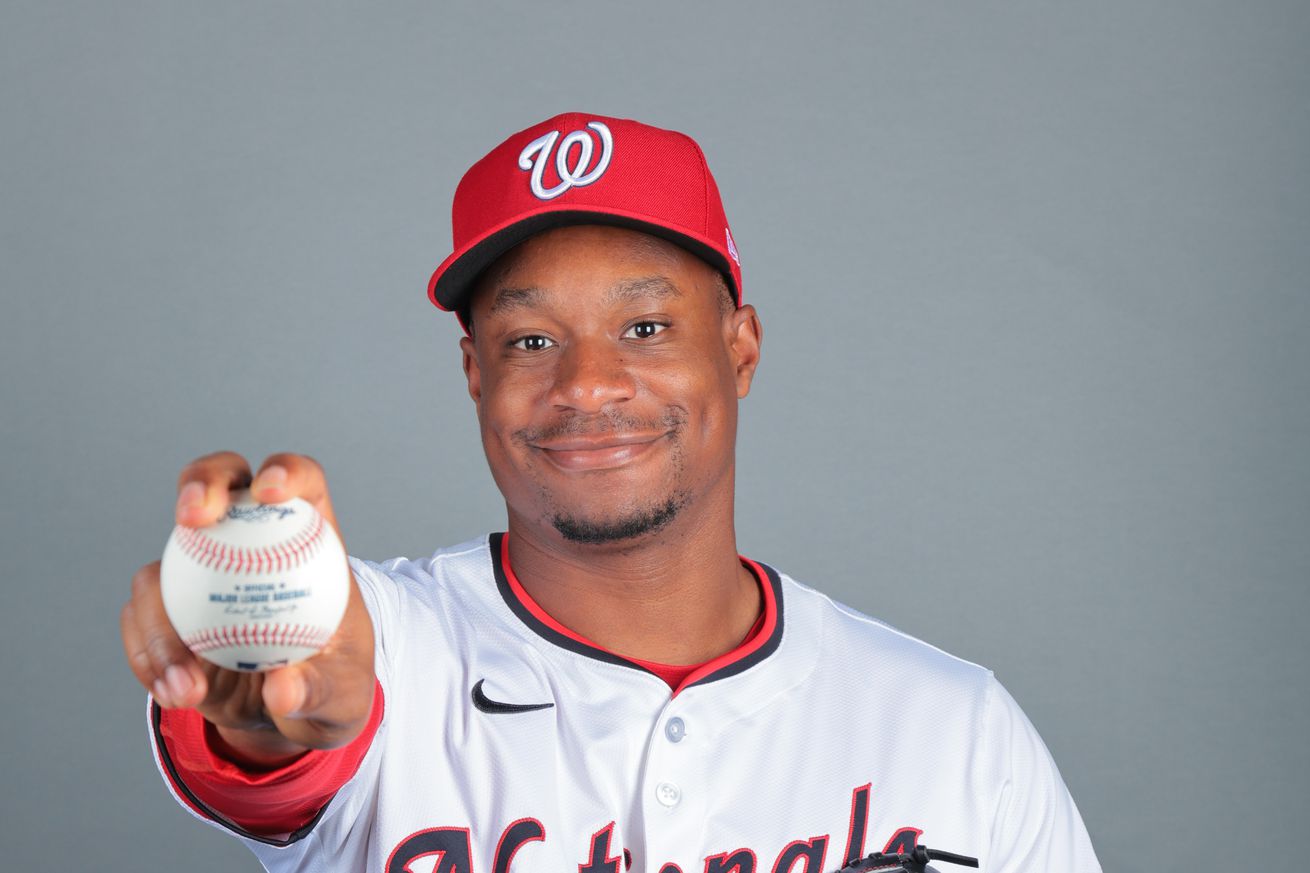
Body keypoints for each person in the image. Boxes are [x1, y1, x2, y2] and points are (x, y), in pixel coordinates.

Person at [121, 112, 1102, 873]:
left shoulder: (952, 731)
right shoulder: (380, 645)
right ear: (475, 372)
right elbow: (294, 738)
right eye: (530, 340)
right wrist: (264, 714)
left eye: (644, 329)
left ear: (739, 347)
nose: (586, 384)